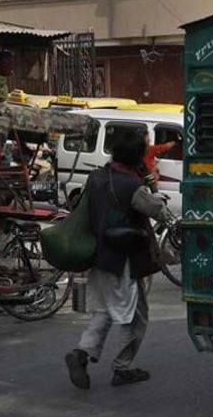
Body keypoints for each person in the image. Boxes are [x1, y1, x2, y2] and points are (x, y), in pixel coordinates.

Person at [65, 127, 172, 389]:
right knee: (136, 315)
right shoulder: (132, 185)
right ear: (137, 155)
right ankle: (123, 367)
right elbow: (159, 212)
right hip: (125, 259)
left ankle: (81, 353)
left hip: (99, 255)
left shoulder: (97, 177)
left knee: (104, 311)